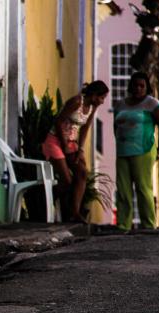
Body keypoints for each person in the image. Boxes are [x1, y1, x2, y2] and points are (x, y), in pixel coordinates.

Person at [42, 81, 109, 222]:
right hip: (55, 140)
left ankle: (75, 212)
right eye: (102, 98)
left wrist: (80, 149)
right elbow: (59, 121)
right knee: (66, 180)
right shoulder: (77, 101)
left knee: (82, 173)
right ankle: (43, 200)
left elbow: (85, 129)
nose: (102, 102)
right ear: (94, 94)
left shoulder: (92, 107)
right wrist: (64, 144)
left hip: (72, 143)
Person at [114, 72, 159, 231]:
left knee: (143, 187)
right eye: (135, 85)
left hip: (143, 150)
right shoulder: (120, 104)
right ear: (130, 86)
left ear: (146, 88)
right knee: (123, 189)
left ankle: (148, 225)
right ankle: (123, 224)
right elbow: (116, 126)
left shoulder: (152, 103)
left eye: (142, 86)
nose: (138, 88)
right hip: (123, 151)